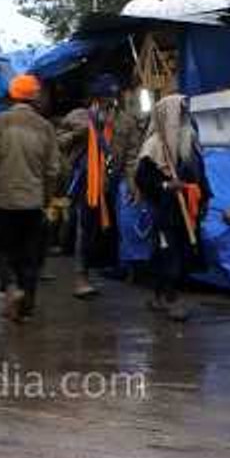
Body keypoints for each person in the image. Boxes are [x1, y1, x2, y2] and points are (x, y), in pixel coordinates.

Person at [0, 74, 64, 322]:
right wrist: (45, 197)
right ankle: (26, 308)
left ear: (11, 96)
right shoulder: (45, 127)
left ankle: (10, 286)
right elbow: (53, 169)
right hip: (33, 203)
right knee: (30, 255)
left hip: (2, 201)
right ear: (35, 98)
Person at [134, 94, 212, 322]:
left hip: (187, 208)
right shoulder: (154, 147)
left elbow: (200, 175)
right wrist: (167, 184)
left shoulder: (190, 141)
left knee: (181, 252)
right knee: (168, 253)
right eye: (181, 113)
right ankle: (171, 299)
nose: (185, 117)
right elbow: (142, 179)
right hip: (165, 210)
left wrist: (205, 198)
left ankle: (160, 295)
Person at [70, 73, 142, 299]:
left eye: (112, 97)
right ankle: (81, 278)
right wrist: (81, 133)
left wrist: (132, 183)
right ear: (96, 97)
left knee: (114, 228)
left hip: (113, 183)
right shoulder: (80, 117)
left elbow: (132, 155)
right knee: (86, 229)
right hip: (87, 184)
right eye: (104, 98)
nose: (109, 102)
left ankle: (118, 267)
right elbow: (60, 143)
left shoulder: (126, 121)